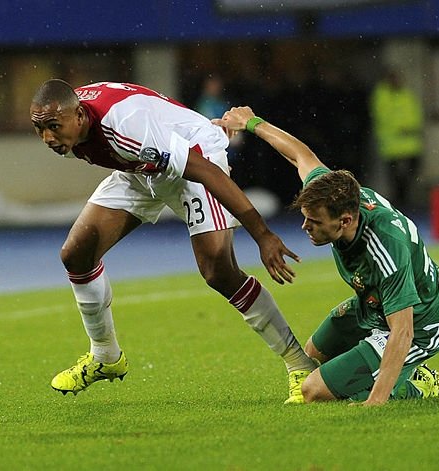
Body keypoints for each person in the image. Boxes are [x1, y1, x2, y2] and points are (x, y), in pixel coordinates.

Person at [29, 79, 318, 403]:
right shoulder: (70, 116)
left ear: (80, 116)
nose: (47, 138)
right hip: (142, 168)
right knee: (76, 254)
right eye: (40, 129)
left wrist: (263, 235)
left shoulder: (125, 128)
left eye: (53, 127)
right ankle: (105, 356)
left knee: (218, 271)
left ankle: (300, 365)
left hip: (195, 160)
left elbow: (205, 172)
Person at [214, 106, 439, 405]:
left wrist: (375, 402)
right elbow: (300, 156)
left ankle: (418, 384)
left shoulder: (385, 248)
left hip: (421, 324)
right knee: (313, 355)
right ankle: (391, 372)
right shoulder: (334, 195)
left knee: (313, 391)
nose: (305, 226)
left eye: (314, 222)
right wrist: (252, 123)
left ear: (345, 221)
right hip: (373, 305)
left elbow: (402, 331)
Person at [369, 69, 424, 208]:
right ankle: (399, 202)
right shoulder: (382, 95)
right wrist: (401, 128)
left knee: (409, 174)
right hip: (392, 144)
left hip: (411, 143)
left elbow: (415, 113)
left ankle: (404, 200)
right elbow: (383, 116)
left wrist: (413, 127)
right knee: (395, 178)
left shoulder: (406, 94)